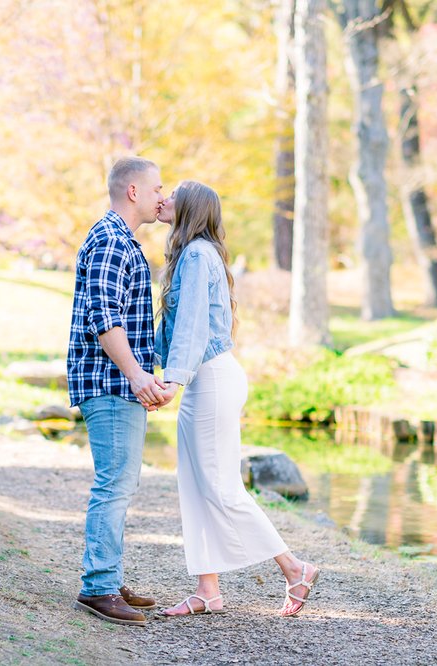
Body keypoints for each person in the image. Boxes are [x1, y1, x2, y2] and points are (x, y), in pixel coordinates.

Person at [153, 181, 320, 617]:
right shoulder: (196, 253)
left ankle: (295, 568)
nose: (162, 200)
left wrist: (171, 380)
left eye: (170, 195)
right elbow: (178, 328)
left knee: (223, 487)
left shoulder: (195, 255)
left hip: (209, 380)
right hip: (207, 379)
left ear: (188, 207)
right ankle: (207, 590)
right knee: (196, 485)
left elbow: (192, 326)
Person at [67, 156, 173, 626]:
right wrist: (136, 374)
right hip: (111, 384)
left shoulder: (120, 239)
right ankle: (99, 587)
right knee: (114, 484)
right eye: (157, 189)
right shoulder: (111, 240)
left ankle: (106, 574)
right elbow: (103, 319)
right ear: (133, 191)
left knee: (120, 483)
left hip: (116, 383)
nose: (162, 197)